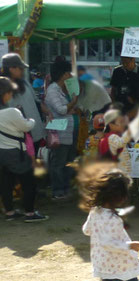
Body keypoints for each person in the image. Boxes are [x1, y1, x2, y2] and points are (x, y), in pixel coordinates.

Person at [0, 77, 48, 222]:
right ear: (6, 93)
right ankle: (30, 213)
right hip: (16, 153)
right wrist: (30, 119)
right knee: (28, 182)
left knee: (6, 183)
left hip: (1, 152)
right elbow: (27, 126)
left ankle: (9, 212)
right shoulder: (12, 112)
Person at [45, 60, 80, 200]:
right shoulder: (53, 90)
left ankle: (64, 189)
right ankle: (58, 190)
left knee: (68, 161)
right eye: (68, 72)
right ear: (63, 74)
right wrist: (74, 101)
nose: (70, 75)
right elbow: (61, 109)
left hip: (67, 131)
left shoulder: (62, 89)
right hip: (59, 132)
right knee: (59, 162)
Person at [3, 53, 47, 154]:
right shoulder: (3, 87)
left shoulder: (25, 83)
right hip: (16, 138)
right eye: (20, 68)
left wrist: (48, 112)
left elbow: (37, 102)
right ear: (11, 69)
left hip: (36, 133)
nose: (23, 71)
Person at [97, 109, 132, 175]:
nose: (123, 125)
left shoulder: (109, 136)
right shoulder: (112, 137)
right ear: (110, 124)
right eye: (120, 122)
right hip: (117, 174)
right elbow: (121, 142)